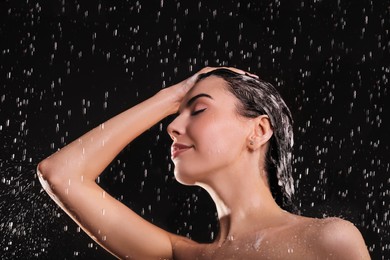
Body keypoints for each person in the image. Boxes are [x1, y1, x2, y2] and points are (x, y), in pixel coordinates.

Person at [37, 67, 370, 259]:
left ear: (259, 130)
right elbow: (62, 173)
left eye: (197, 110)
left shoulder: (326, 240)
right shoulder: (180, 255)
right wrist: (169, 97)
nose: (171, 126)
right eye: (176, 113)